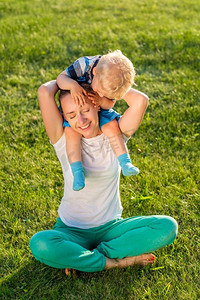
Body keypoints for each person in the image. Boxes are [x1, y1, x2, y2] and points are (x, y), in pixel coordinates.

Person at [29, 80, 178, 275]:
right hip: (70, 230)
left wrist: (101, 87)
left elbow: (140, 101)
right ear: (64, 118)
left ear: (96, 104)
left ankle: (85, 257)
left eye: (85, 110)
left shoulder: (116, 133)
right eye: (71, 115)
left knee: (167, 226)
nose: (80, 121)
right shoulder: (62, 140)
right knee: (40, 243)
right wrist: (71, 82)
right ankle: (116, 262)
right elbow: (44, 91)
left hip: (111, 229)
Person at [56, 50, 139, 191]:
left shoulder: (112, 80)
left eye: (104, 93)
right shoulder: (83, 65)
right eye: (100, 90)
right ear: (94, 72)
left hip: (98, 109)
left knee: (112, 127)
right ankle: (77, 173)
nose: (101, 94)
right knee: (71, 135)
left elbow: (109, 104)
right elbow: (60, 78)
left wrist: (101, 100)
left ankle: (125, 163)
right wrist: (72, 85)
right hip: (77, 108)